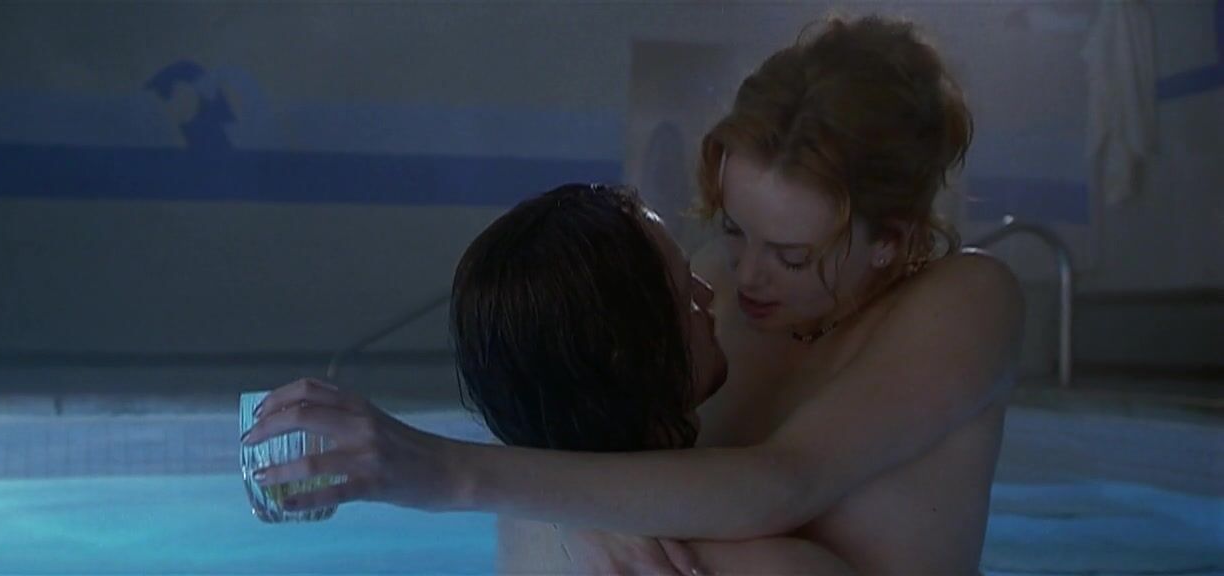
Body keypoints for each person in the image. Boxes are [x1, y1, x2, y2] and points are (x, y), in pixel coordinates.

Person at [242, 14, 1025, 574]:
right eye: (735, 227)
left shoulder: (965, 301)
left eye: (793, 256)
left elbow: (786, 481)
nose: (744, 275)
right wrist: (578, 516)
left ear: (889, 239)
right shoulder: (721, 282)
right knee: (537, 523)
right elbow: (591, 425)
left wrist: (445, 472)